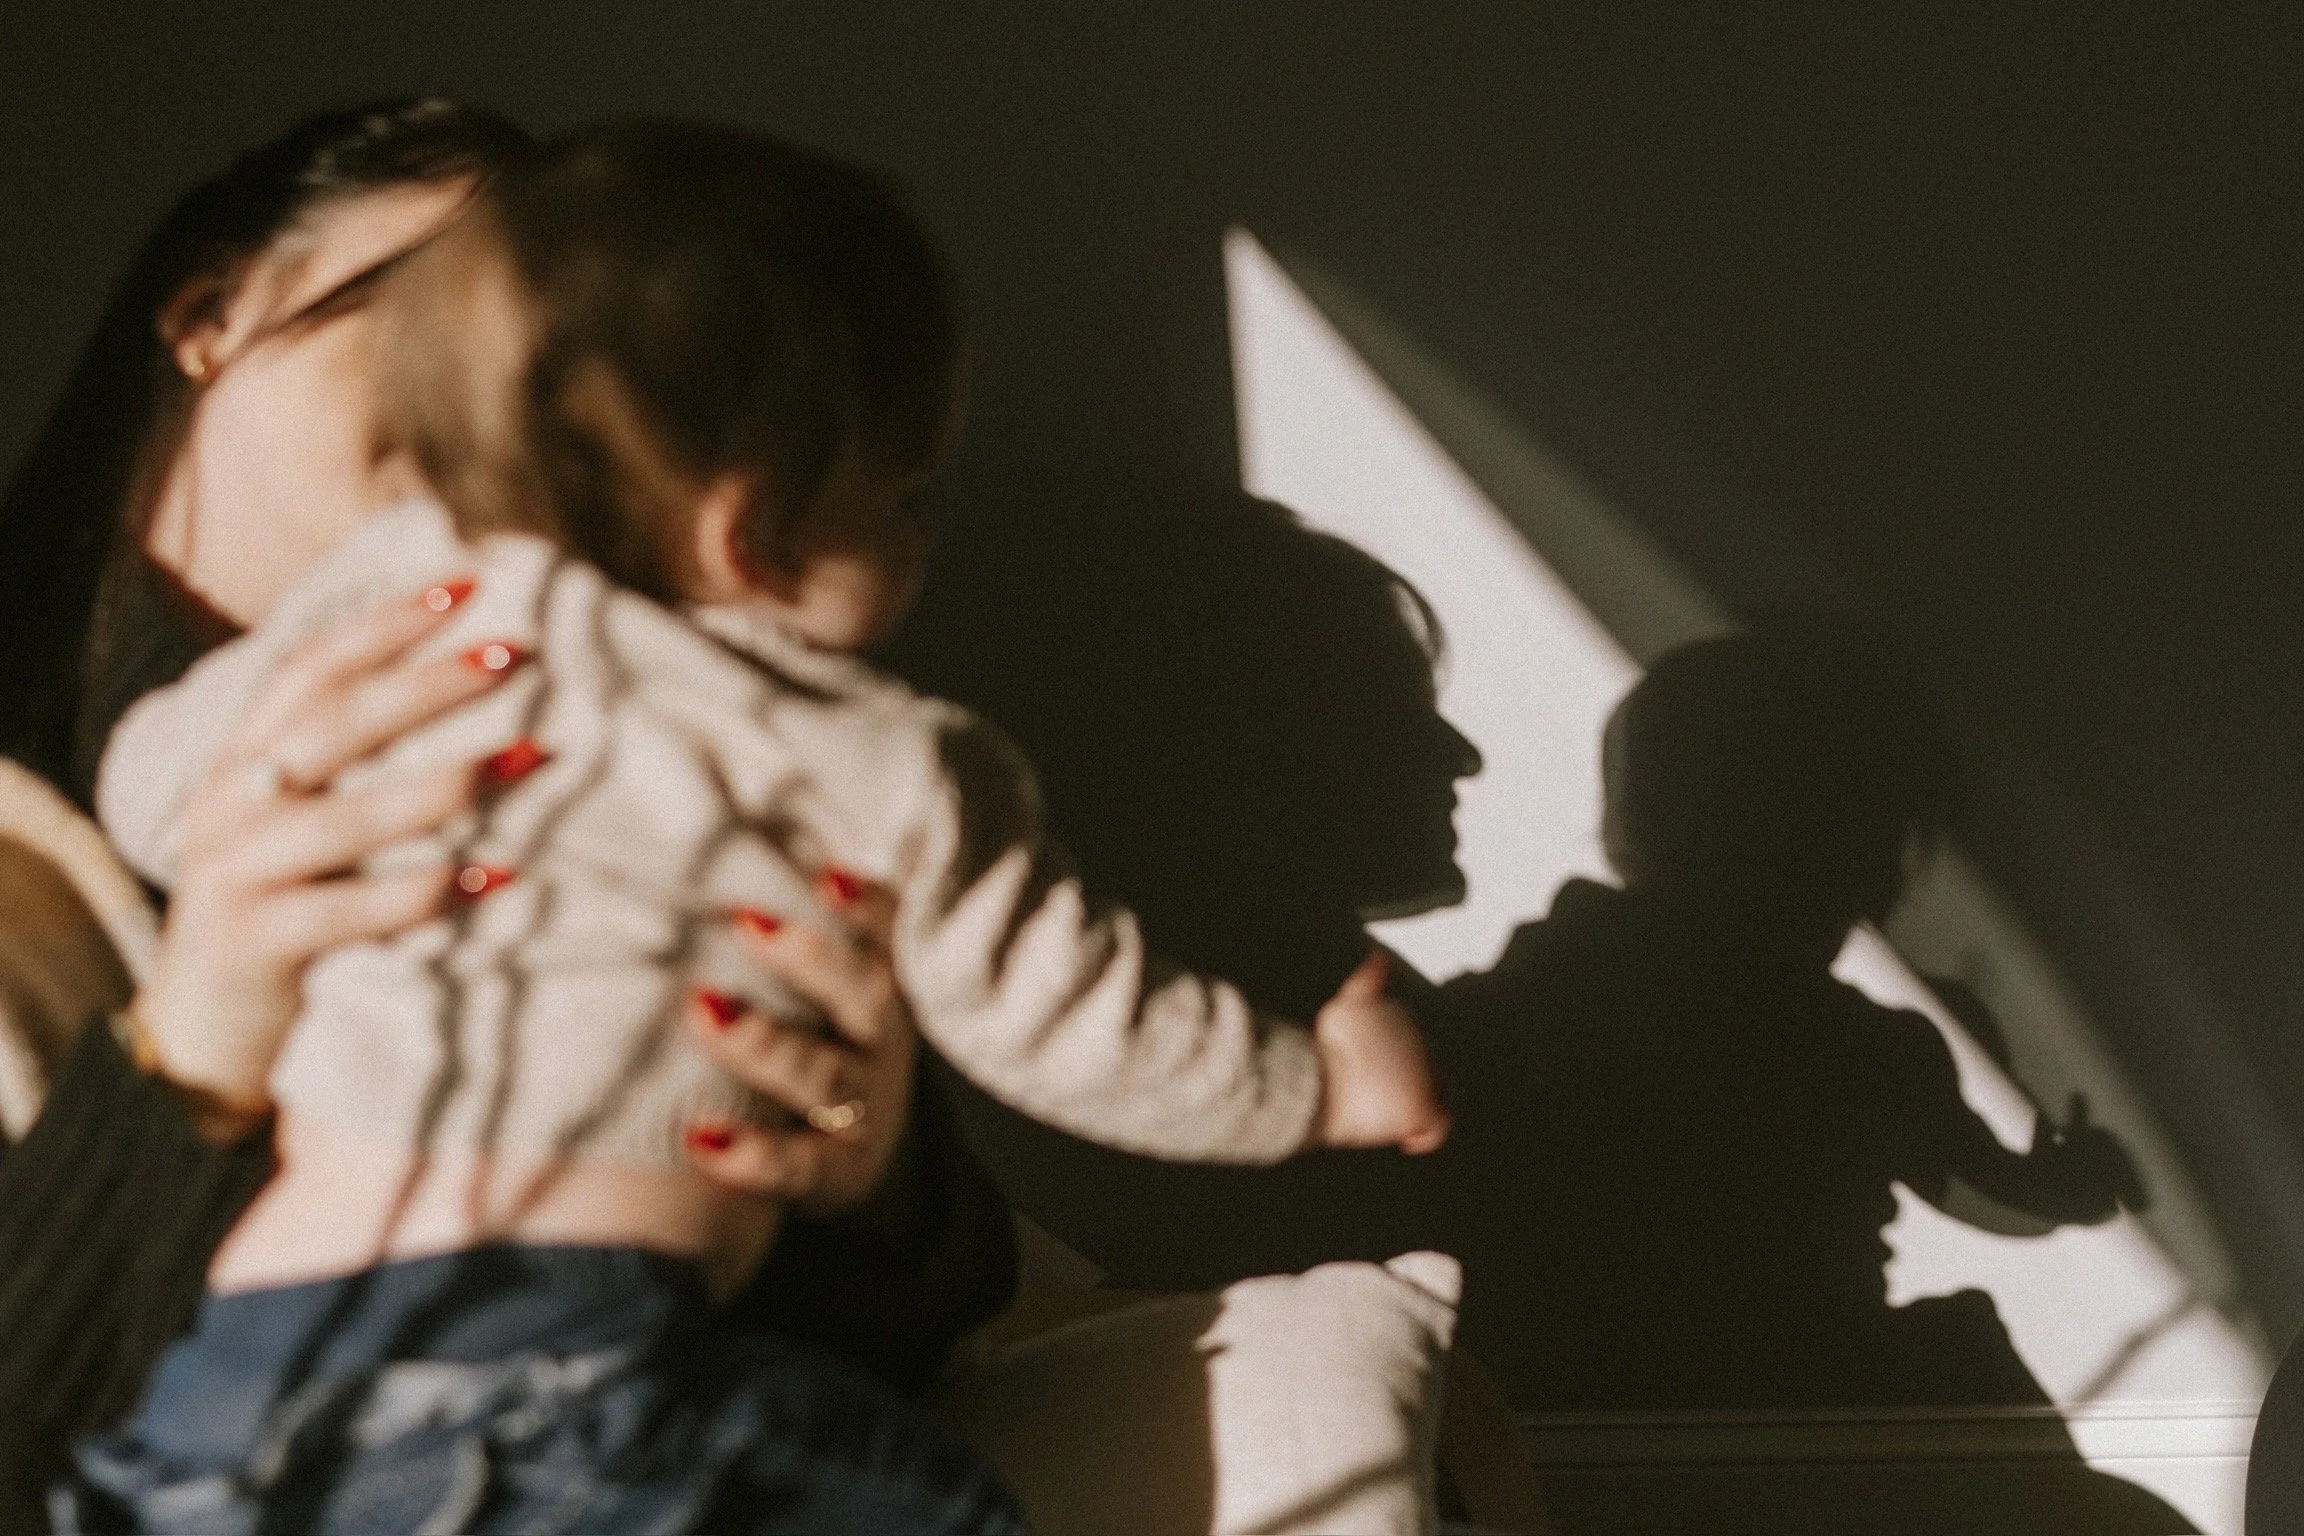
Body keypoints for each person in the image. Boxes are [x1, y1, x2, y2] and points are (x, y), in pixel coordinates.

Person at [63, 118, 1449, 1528]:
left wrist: (865, 1150)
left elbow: (148, 791)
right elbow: (1083, 1026)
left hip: (231, 1395)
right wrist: (1320, 1088)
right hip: (570, 1366)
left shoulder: (327, 662)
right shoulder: (877, 754)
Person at [0, 100, 1016, 1532]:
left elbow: (887, 1348)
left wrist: (868, 1171)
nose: (505, 385)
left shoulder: (635, 732)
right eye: (445, 305)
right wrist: (197, 1046)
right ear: (214, 314)